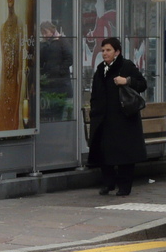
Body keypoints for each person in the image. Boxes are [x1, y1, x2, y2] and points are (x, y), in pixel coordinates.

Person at [87, 37, 147, 196]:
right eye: (103, 50)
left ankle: (124, 186)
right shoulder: (101, 69)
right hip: (103, 118)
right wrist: (94, 111)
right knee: (104, 151)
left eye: (108, 50)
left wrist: (126, 81)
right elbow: (95, 93)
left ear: (117, 52)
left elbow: (142, 84)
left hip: (124, 118)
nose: (105, 53)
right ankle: (108, 183)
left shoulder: (126, 66)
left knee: (124, 153)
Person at [0, 0, 23, 131]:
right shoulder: (3, 27)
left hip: (16, 91)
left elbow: (21, 66)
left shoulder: (20, 25)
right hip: (4, 90)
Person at [39, 20, 73, 122]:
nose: (44, 35)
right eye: (42, 33)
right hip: (49, 83)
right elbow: (41, 60)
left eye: (45, 32)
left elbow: (69, 58)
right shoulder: (44, 44)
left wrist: (60, 71)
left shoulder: (62, 41)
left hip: (60, 82)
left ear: (52, 30)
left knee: (60, 110)